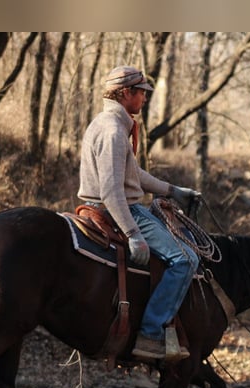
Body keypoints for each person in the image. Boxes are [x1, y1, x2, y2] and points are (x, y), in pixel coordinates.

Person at [77, 65, 201, 361]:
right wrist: (133, 234)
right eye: (141, 93)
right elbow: (110, 191)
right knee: (186, 260)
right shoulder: (112, 132)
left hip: (120, 203)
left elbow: (133, 174)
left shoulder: (112, 124)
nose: (145, 98)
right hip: (118, 208)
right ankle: (151, 334)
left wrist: (172, 191)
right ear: (125, 93)